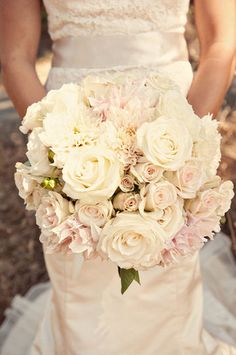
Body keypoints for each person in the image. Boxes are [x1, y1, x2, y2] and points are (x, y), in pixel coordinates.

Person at [0, 0, 235, 354]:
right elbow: (14, 58)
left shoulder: (181, 136)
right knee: (81, 278)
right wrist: (55, 150)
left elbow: (222, 42)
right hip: (70, 129)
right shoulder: (62, 146)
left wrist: (189, 139)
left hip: (172, 121)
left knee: (165, 279)